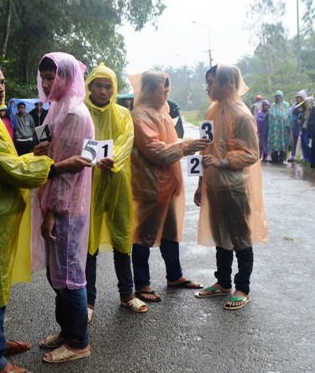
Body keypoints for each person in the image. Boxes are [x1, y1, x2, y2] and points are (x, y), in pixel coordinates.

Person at [0, 59, 90, 373]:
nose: (0, 89)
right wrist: (55, 166)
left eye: (2, 82)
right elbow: (9, 169)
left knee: (1, 283)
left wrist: (35, 157)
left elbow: (8, 161)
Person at [32, 52, 94, 364]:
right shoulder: (57, 108)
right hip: (57, 202)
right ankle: (68, 330)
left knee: (71, 275)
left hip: (66, 206)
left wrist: (52, 213)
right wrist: (40, 151)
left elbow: (67, 173)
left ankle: (79, 342)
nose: (45, 83)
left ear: (67, 78)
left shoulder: (73, 114)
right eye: (43, 77)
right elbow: (53, 155)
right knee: (58, 271)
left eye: (51, 77)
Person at [129, 70, 209, 303]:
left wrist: (187, 146)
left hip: (169, 183)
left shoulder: (161, 112)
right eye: (161, 89)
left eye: (167, 89)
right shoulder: (140, 115)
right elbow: (155, 150)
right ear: (148, 90)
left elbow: (169, 144)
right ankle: (142, 283)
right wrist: (185, 146)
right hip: (151, 185)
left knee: (170, 233)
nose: (166, 93)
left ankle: (175, 275)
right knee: (143, 234)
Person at [193, 64, 267, 310]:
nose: (208, 87)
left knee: (240, 238)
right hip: (214, 185)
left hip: (235, 187)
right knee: (221, 236)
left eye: (212, 81)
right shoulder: (213, 110)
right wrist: (201, 183)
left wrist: (223, 161)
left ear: (228, 84)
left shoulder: (242, 115)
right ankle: (223, 282)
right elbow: (206, 149)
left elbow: (251, 154)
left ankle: (242, 287)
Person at [84, 63, 147, 321]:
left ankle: (127, 293)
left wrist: (113, 161)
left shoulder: (122, 114)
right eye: (98, 84)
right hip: (88, 182)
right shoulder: (81, 113)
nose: (103, 90)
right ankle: (88, 301)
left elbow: (125, 140)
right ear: (89, 86)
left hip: (117, 179)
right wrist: (93, 162)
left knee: (122, 235)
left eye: (108, 85)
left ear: (114, 88)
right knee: (89, 241)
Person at [267, 90, 291, 163]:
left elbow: (288, 115)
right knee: (274, 143)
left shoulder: (286, 105)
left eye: (279, 96)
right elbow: (269, 115)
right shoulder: (273, 105)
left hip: (283, 128)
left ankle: (282, 158)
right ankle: (274, 157)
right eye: (277, 96)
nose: (278, 98)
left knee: (282, 142)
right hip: (274, 128)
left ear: (282, 97)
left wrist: (288, 125)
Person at [289, 90, 308, 163]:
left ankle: (304, 156)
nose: (298, 99)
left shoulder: (306, 105)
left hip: (303, 126)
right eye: (297, 98)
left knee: (303, 141)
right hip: (295, 126)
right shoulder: (295, 106)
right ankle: (293, 155)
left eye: (300, 97)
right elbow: (292, 114)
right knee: (294, 140)